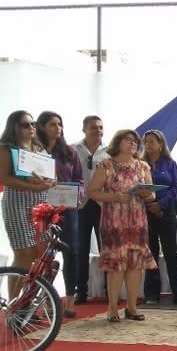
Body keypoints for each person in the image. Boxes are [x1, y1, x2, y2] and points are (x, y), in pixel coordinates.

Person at [86, 129, 157, 322]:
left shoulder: (143, 166)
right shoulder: (106, 165)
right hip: (114, 221)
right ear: (117, 142)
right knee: (116, 265)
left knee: (135, 264)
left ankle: (132, 307)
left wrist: (147, 194)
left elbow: (152, 194)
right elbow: (92, 192)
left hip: (137, 221)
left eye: (135, 141)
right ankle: (112, 308)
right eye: (128, 140)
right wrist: (113, 197)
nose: (133, 143)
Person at [0, 111, 54, 296]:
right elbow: (3, 178)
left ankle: (27, 300)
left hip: (41, 204)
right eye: (25, 125)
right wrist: (34, 186)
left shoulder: (38, 147)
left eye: (33, 124)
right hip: (17, 204)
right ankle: (13, 302)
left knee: (40, 252)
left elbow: (48, 174)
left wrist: (50, 182)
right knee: (24, 253)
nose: (31, 128)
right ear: (14, 127)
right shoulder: (6, 149)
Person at [37, 111, 82, 317]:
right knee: (44, 254)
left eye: (60, 124)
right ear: (42, 127)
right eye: (53, 124)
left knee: (71, 252)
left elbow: (79, 179)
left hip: (67, 209)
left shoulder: (70, 151)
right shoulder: (35, 150)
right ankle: (46, 299)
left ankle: (70, 300)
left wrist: (77, 195)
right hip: (42, 209)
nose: (58, 128)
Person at [140, 130, 177, 306]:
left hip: (167, 212)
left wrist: (161, 205)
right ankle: (151, 294)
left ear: (161, 144)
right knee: (151, 253)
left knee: (171, 254)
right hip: (146, 212)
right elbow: (137, 188)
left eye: (152, 141)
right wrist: (150, 205)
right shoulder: (140, 164)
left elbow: (175, 189)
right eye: (146, 141)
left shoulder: (170, 163)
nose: (148, 144)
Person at [73, 115, 109, 304]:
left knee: (107, 249)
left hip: (102, 205)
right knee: (81, 250)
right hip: (81, 205)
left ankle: (109, 289)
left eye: (101, 127)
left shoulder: (109, 151)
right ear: (84, 129)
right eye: (94, 127)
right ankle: (81, 291)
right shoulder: (73, 149)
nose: (98, 131)